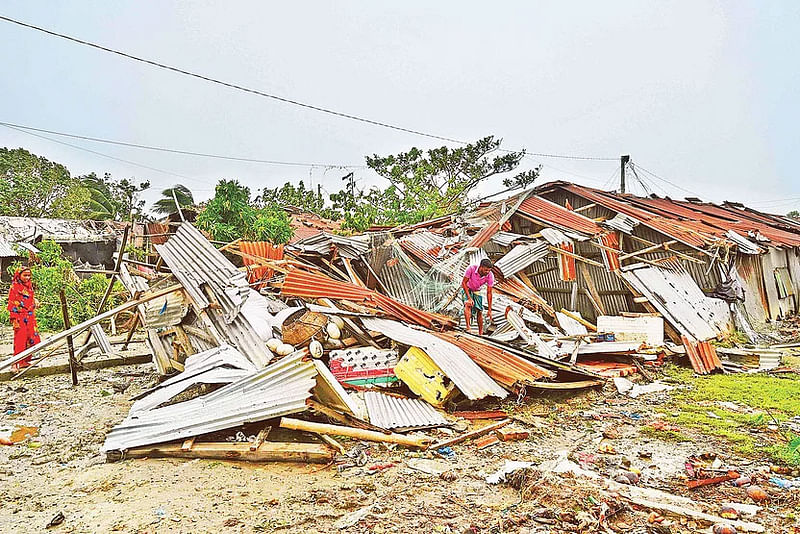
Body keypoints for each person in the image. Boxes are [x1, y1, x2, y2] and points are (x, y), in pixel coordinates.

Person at [7, 267, 40, 370]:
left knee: (31, 338)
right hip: (20, 317)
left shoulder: (29, 287)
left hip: (30, 317)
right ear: (18, 276)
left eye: (29, 275)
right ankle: (15, 363)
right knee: (20, 340)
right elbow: (12, 304)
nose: (27, 277)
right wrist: (14, 320)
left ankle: (24, 361)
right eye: (24, 275)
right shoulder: (14, 288)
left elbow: (29, 299)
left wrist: (35, 301)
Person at [461, 258, 494, 335]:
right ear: (481, 267)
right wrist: (469, 298)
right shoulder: (471, 268)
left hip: (477, 290)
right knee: (468, 304)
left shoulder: (490, 275)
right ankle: (468, 327)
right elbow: (464, 282)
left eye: (489, 270)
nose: (487, 272)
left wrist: (489, 310)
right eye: (486, 270)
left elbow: (489, 292)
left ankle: (480, 333)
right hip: (467, 288)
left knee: (479, 310)